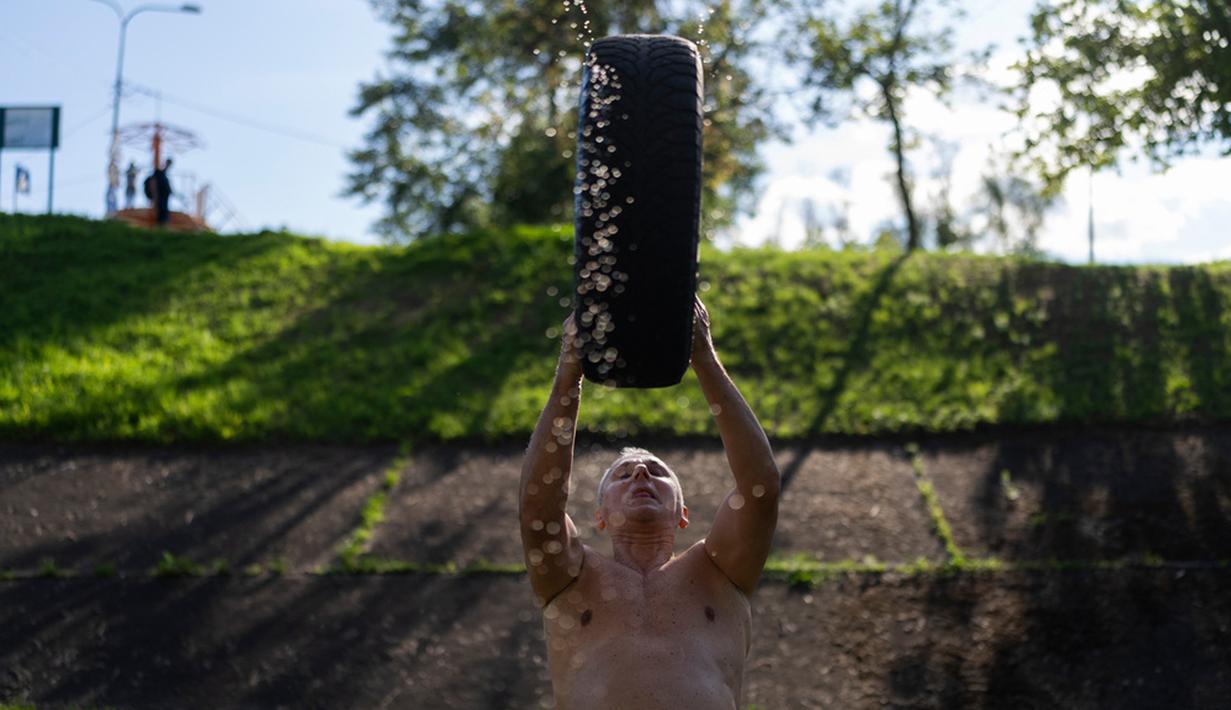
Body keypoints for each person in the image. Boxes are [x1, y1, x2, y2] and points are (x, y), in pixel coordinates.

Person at [519, 297, 780, 709]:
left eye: (657, 472)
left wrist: (703, 357)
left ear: (683, 514)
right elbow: (539, 511)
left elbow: (760, 487)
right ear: (599, 516)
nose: (641, 474)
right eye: (623, 475)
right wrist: (569, 371)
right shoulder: (571, 579)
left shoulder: (719, 573)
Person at [150, 158, 174, 226]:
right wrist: (154, 198)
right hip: (160, 201)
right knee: (160, 216)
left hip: (164, 202)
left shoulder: (165, 176)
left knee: (164, 216)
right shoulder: (158, 173)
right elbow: (153, 184)